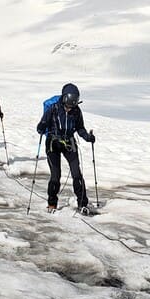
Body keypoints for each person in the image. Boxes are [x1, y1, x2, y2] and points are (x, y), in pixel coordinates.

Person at [37, 82, 95, 214]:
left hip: (69, 143)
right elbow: (42, 124)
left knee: (77, 174)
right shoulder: (53, 108)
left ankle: (82, 204)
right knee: (55, 175)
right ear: (64, 99)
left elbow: (80, 128)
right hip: (53, 144)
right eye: (68, 105)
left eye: (72, 105)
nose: (69, 108)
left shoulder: (76, 111)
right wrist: (41, 127)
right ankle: (52, 204)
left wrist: (88, 137)